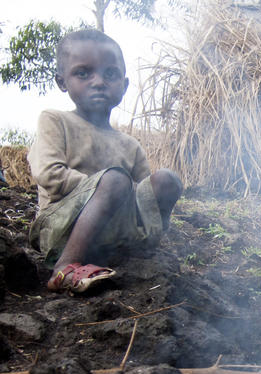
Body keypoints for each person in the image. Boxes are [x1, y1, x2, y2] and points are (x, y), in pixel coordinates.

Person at [27, 29, 182, 294]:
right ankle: (66, 267)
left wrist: (122, 195)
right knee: (116, 180)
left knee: (167, 180)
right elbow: (50, 175)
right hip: (60, 229)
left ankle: (142, 250)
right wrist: (106, 188)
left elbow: (143, 196)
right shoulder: (55, 120)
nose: (98, 81)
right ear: (62, 82)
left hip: (113, 231)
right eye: (84, 73)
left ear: (124, 84)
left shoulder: (129, 144)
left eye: (110, 74)